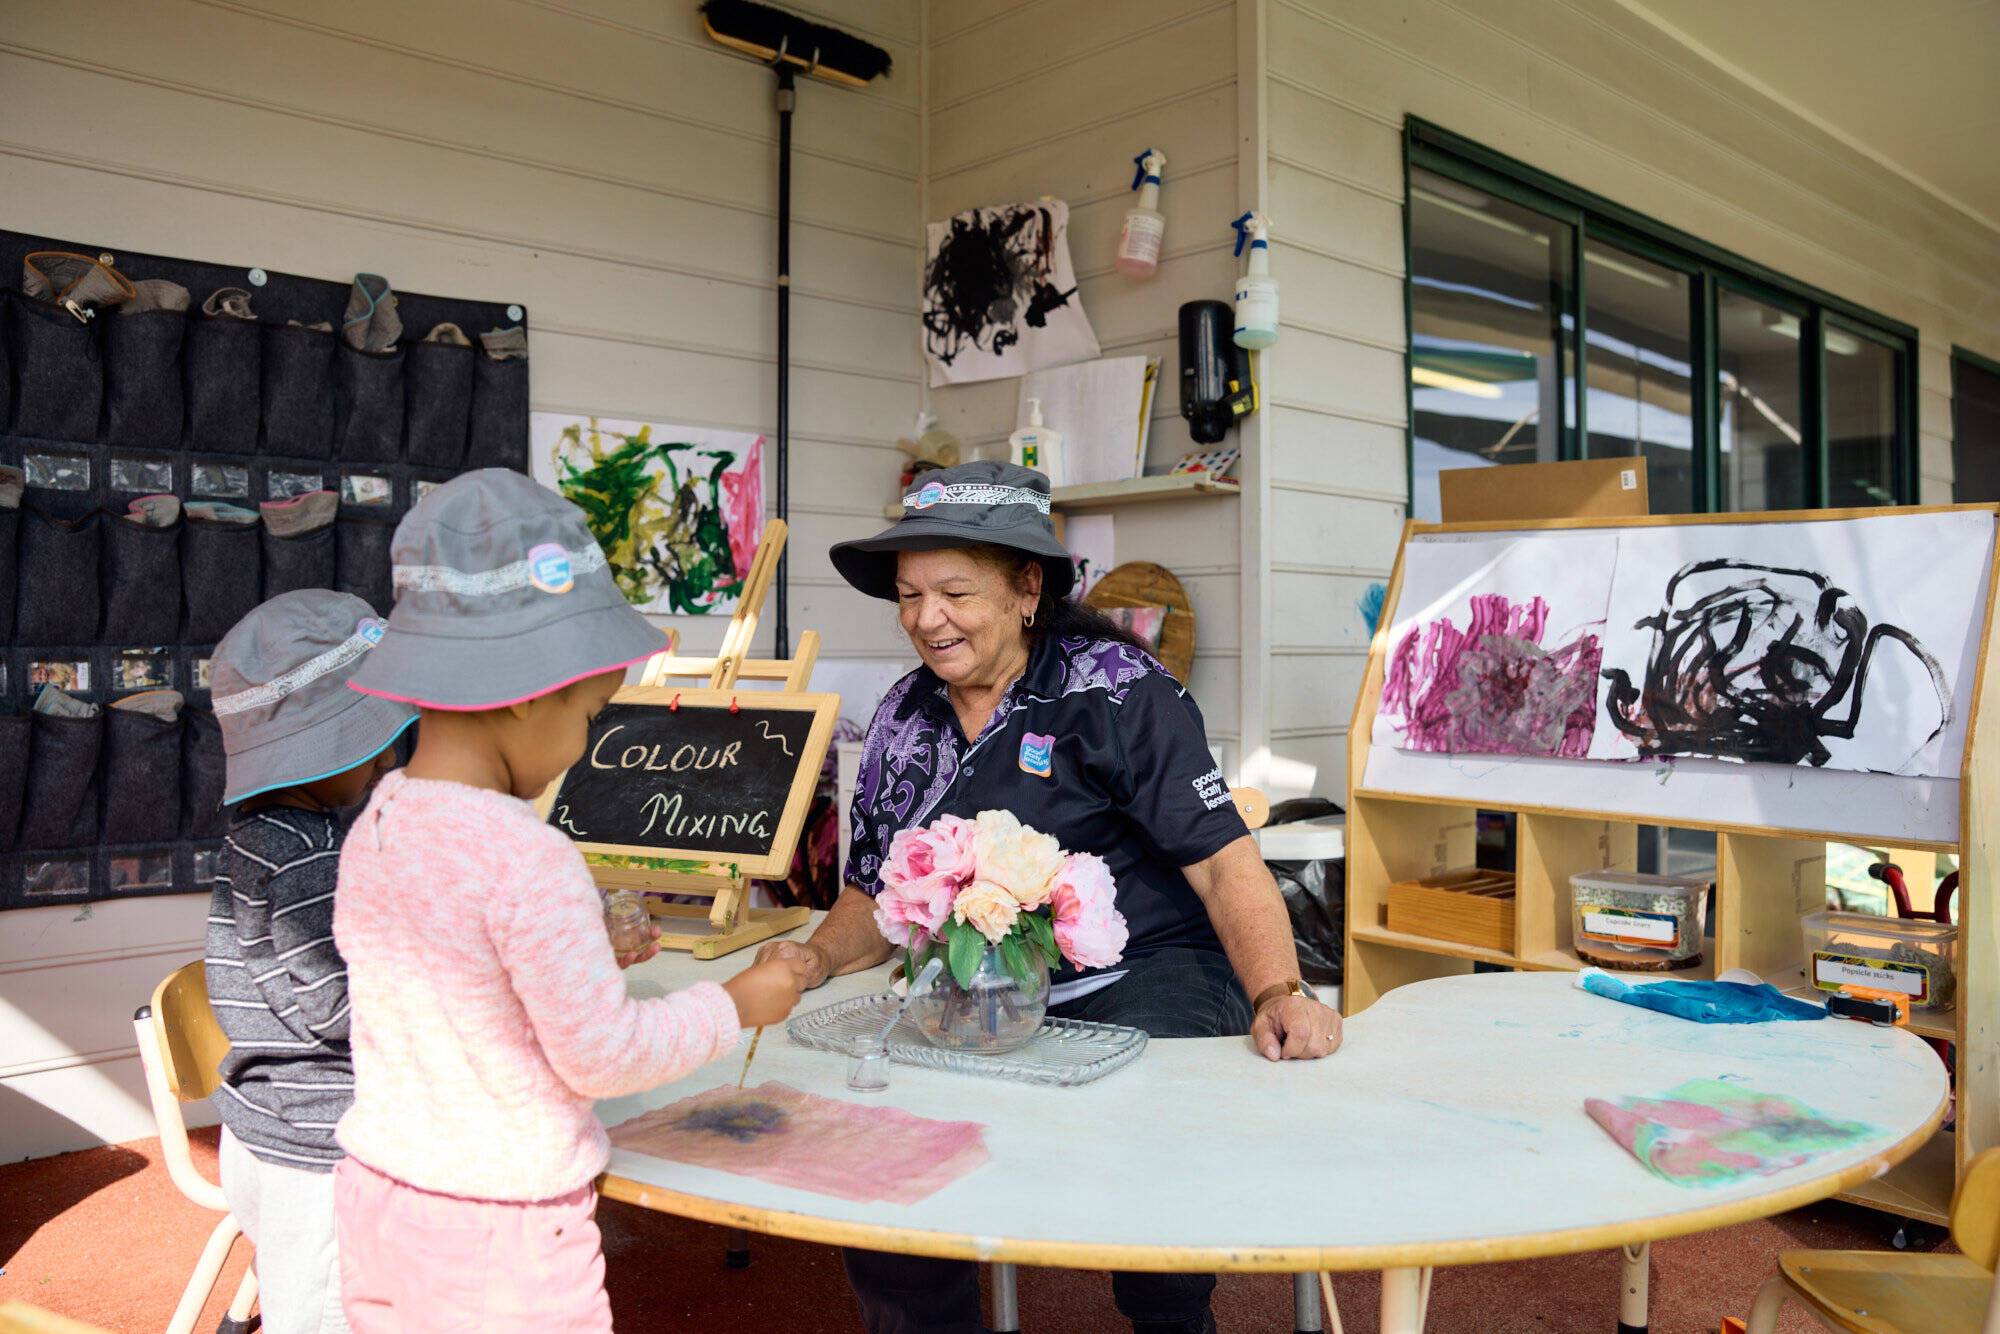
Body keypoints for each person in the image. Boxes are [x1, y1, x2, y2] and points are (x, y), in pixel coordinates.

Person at [761, 460, 1343, 1334]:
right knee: (887, 1187)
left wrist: (1278, 990)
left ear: (1027, 588)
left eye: (955, 591)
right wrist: (812, 956)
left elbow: (1225, 865)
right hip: (974, 983)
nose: (927, 618)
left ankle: (1172, 1311)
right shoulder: (903, 715)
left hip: (1147, 968)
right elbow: (870, 897)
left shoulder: (1116, 691)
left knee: (1143, 1179)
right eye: (911, 595)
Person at [330, 470, 813, 1332]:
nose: (588, 742)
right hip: (499, 1228)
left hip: (378, 1193)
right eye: (592, 713)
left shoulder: (380, 818)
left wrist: (574, 954)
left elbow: (448, 979)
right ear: (523, 692)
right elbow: (602, 1057)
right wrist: (736, 1003)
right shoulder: (529, 854)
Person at [205, 590, 418, 1334]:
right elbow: (338, 1007)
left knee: (305, 1292)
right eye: (371, 745)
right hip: (321, 1149)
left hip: (259, 1124)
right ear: (319, 751)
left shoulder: (255, 837)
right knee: (327, 1314)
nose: (389, 757)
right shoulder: (308, 857)